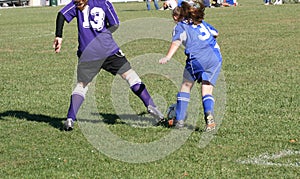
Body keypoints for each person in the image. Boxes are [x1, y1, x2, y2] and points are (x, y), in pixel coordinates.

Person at [53, 0, 164, 131]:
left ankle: (70, 118)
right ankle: (151, 106)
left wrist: (59, 36)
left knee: (82, 85)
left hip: (87, 53)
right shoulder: (104, 3)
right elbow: (115, 24)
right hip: (107, 50)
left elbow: (61, 14)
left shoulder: (77, 2)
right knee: (130, 76)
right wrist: (103, 32)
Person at [159, 1, 222, 132]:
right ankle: (209, 116)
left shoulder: (181, 26)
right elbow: (216, 33)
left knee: (186, 86)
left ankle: (179, 120)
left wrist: (168, 56)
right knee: (207, 89)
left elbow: (177, 41)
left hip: (197, 58)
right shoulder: (202, 23)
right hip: (215, 58)